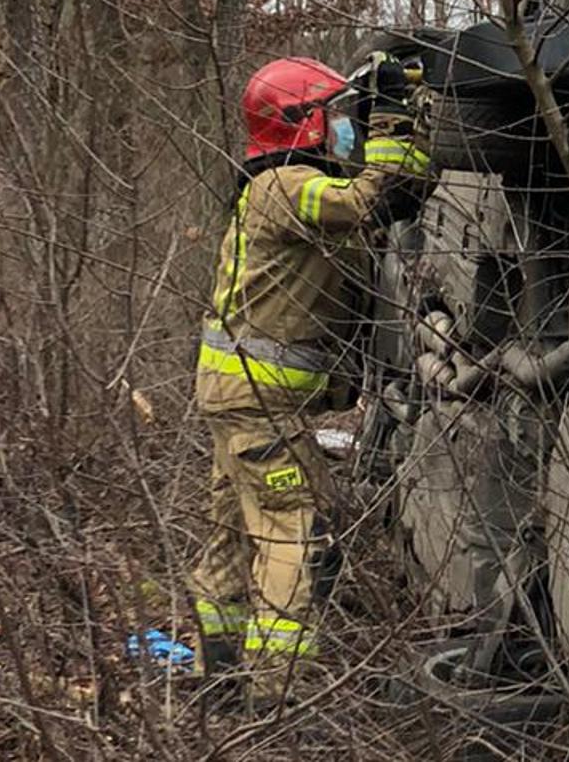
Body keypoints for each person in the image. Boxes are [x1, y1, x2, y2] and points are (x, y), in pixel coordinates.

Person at [188, 51, 431, 709]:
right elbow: (373, 199)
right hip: (258, 404)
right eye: (337, 117)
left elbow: (385, 209)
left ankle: (219, 683)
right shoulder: (285, 186)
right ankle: (278, 702)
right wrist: (391, 121)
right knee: (300, 532)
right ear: (306, 125)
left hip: (239, 400)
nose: (344, 128)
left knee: (235, 533)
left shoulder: (279, 189)